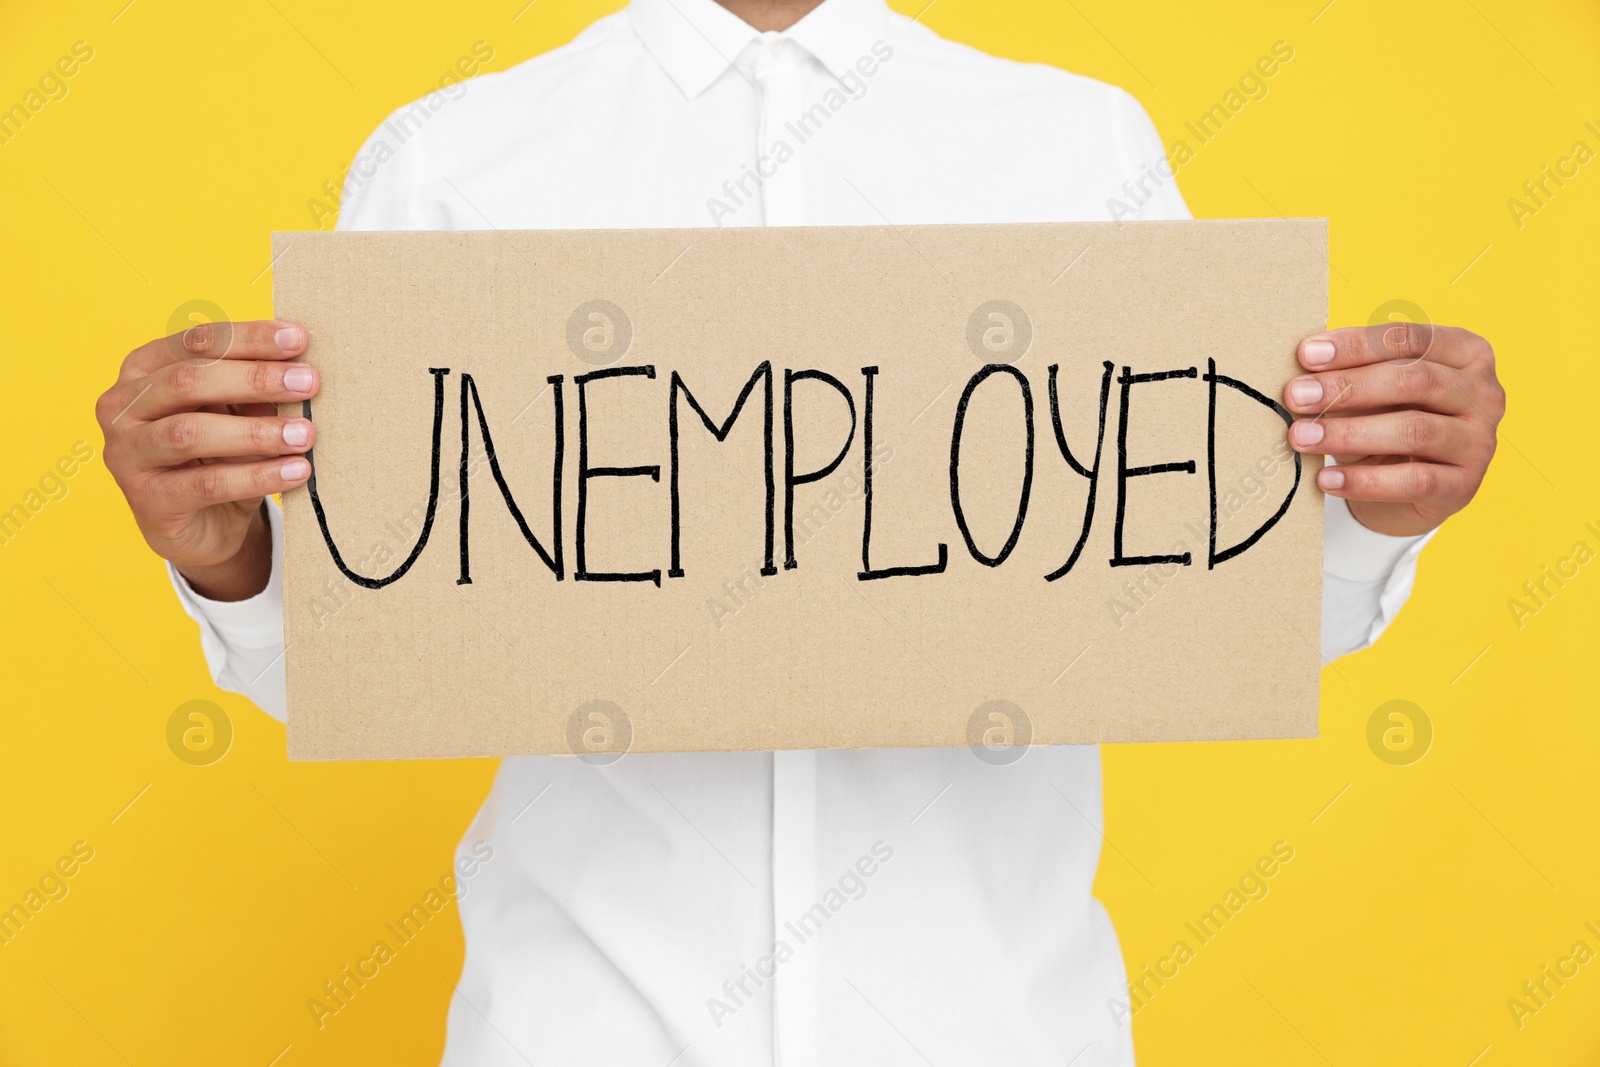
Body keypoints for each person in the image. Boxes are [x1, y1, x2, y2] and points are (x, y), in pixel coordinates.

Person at [94, 0, 1504, 1062]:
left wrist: (1376, 518)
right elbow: (365, 661)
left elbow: (1195, 610)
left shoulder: (1075, 144)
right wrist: (233, 556)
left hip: (1001, 1033)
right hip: (584, 1031)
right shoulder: (456, 160)